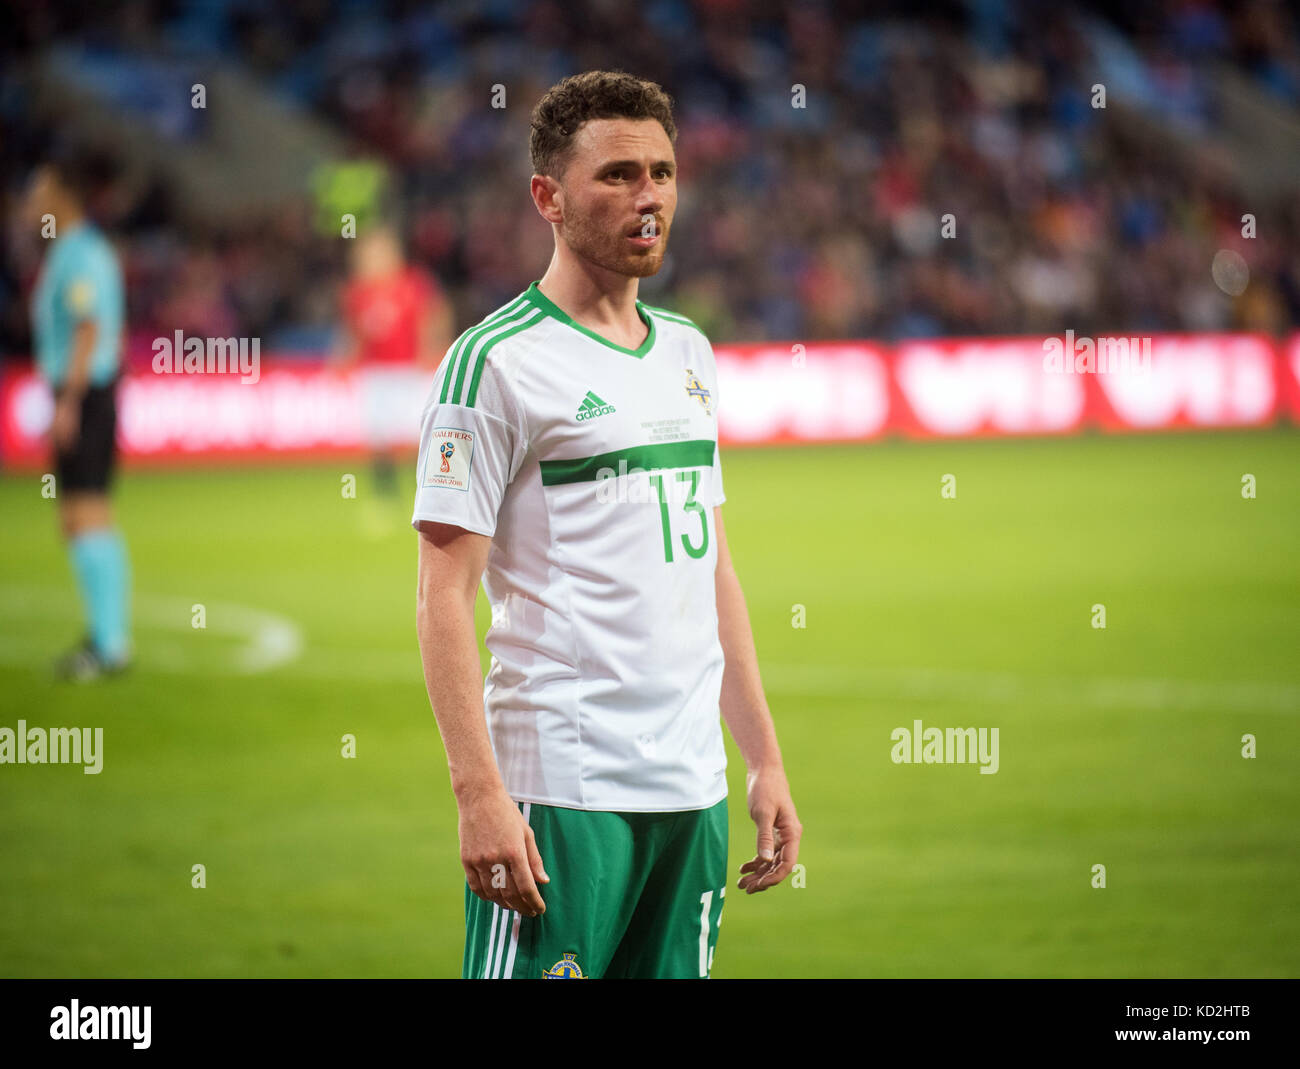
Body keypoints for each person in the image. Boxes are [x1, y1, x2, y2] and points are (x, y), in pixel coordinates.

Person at [412, 71, 801, 979]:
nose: (650, 196)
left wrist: (764, 759)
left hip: (694, 790)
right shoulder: (493, 363)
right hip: (563, 789)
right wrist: (479, 792)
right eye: (618, 174)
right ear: (547, 196)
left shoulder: (689, 353)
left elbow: (712, 573)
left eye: (662, 172)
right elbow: (443, 594)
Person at [25, 153, 131, 681]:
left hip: (86, 393)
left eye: (38, 189)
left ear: (62, 195)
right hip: (86, 391)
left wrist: (67, 403)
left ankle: (109, 645)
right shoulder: (75, 250)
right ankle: (104, 639)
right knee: (77, 516)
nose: (30, 199)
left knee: (88, 513)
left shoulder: (78, 253)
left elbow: (90, 330)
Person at [334, 224, 450, 496]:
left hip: (409, 370)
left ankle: (430, 488)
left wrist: (432, 348)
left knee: (418, 433)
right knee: (378, 435)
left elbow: (433, 315)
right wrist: (343, 359)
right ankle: (386, 494)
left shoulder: (413, 285)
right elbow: (352, 332)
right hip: (375, 373)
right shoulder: (357, 293)